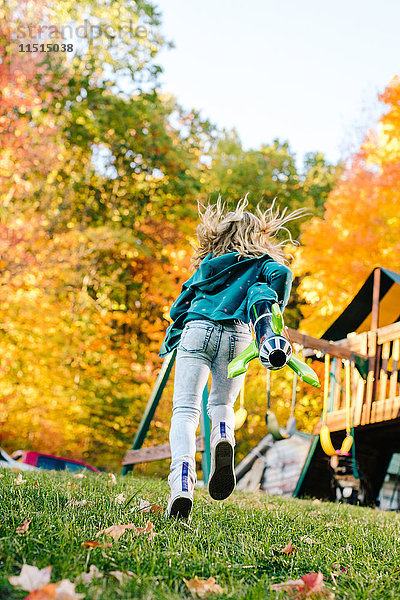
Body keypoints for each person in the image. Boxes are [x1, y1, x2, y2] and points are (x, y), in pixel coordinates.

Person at [159, 195, 307, 519]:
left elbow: (177, 308)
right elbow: (282, 273)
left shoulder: (207, 265)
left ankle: (182, 481)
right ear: (257, 237)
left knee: (185, 410)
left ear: (221, 234)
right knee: (222, 405)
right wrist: (276, 308)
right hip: (237, 335)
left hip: (198, 328)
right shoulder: (260, 263)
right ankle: (223, 437)